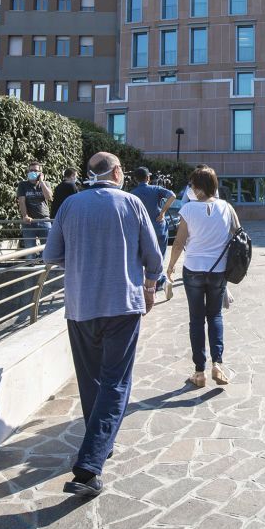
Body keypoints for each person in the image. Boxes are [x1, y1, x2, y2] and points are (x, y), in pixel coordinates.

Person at [44, 151, 164, 497]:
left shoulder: (70, 206)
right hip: (121, 306)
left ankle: (99, 441)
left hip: (80, 306)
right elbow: (153, 257)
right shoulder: (131, 204)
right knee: (115, 383)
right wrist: (151, 286)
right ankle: (89, 466)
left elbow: (51, 255)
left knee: (91, 381)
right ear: (115, 172)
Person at [165, 165, 238, 388]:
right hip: (218, 270)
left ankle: (199, 372)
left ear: (196, 188)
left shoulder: (188, 210)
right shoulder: (226, 207)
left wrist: (170, 267)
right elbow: (237, 236)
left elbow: (178, 243)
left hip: (194, 268)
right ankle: (217, 363)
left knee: (196, 319)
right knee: (215, 316)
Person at [131, 167, 178, 298]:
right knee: (159, 258)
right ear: (148, 178)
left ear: (135, 179)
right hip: (159, 227)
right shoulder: (156, 189)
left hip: (142, 230)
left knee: (142, 259)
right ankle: (161, 282)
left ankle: (152, 286)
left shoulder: (133, 193)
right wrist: (162, 212)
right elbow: (172, 196)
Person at [17, 162, 54, 248]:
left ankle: (45, 262)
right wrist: (25, 216)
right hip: (29, 221)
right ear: (28, 172)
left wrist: (41, 181)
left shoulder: (46, 184)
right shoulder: (23, 185)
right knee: (30, 250)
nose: (33, 172)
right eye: (31, 170)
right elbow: (21, 201)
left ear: (40, 173)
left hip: (44, 220)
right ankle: (31, 262)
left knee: (47, 249)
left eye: (36, 170)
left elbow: (49, 197)